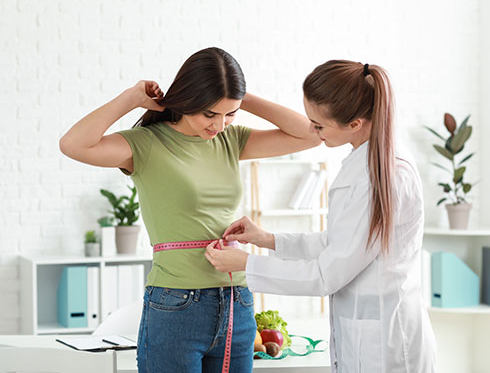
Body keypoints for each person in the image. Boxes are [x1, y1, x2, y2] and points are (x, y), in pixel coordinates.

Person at [59, 47, 321, 373]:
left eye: (230, 114)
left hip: (237, 300)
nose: (220, 125)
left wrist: (240, 97)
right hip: (176, 305)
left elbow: (311, 135)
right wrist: (130, 98)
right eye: (210, 114)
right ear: (187, 101)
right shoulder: (145, 144)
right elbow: (73, 145)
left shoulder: (231, 140)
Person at [205, 60, 437, 372]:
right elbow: (340, 243)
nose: (313, 132)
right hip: (365, 334)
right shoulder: (365, 159)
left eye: (319, 125)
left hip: (386, 345)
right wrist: (266, 239)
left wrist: (246, 265)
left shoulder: (385, 173)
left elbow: (326, 275)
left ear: (355, 123)